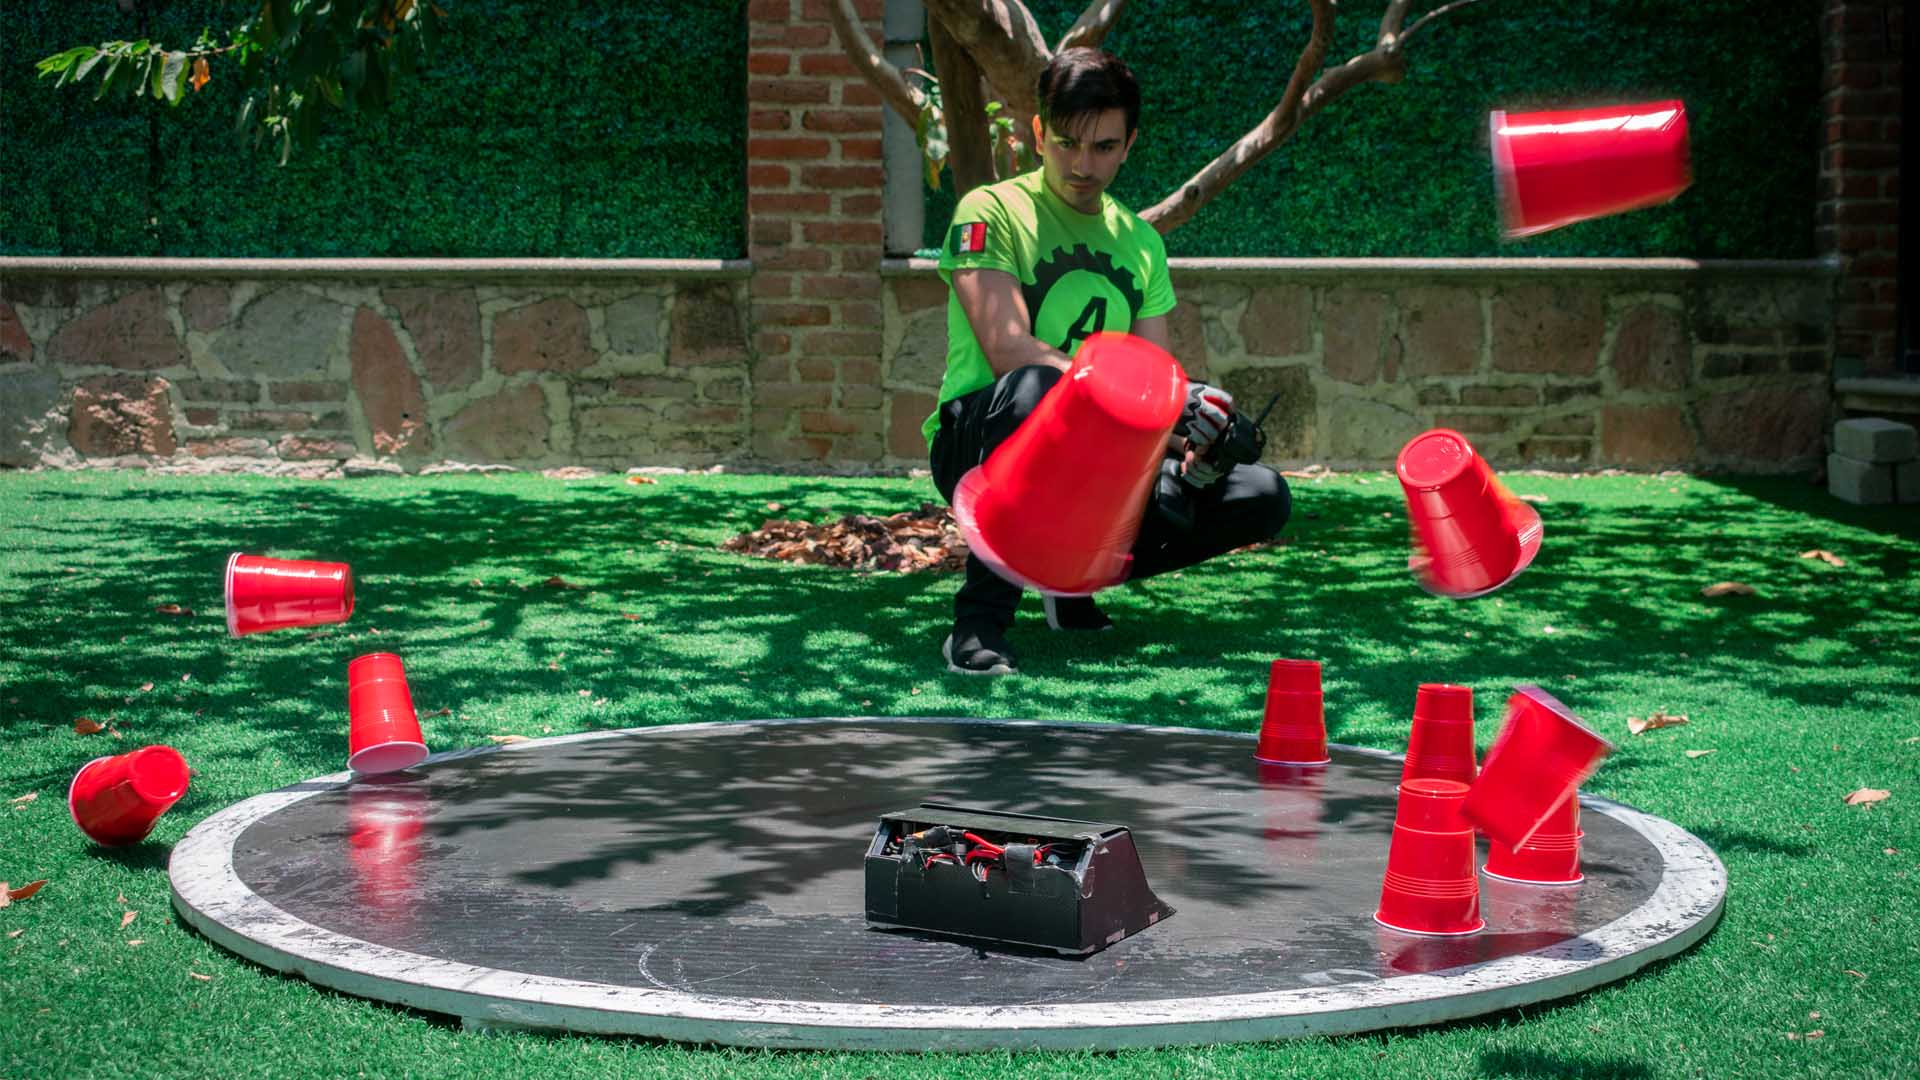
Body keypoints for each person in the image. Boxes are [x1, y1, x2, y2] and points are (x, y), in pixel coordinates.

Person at [925, 47, 1291, 677]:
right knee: (1036, 387)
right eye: (1066, 143)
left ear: (1129, 144)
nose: (1082, 165)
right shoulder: (989, 211)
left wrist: (1200, 429)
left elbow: (1151, 381)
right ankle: (977, 624)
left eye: (1103, 147)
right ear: (1038, 132)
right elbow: (1007, 348)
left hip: (1099, 465)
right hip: (979, 442)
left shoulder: (1142, 244)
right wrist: (1168, 399)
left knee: (1263, 494)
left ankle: (1070, 577)